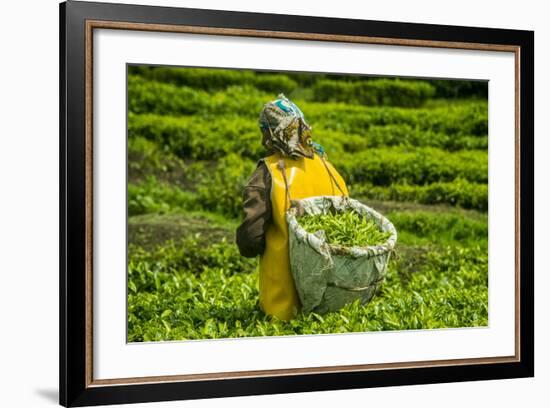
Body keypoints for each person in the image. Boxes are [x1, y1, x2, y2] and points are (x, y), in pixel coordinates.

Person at [236, 94, 349, 321]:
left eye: (263, 131)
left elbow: (250, 238)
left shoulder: (268, 171)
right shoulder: (326, 166)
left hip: (284, 305)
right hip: (331, 301)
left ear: (271, 133)